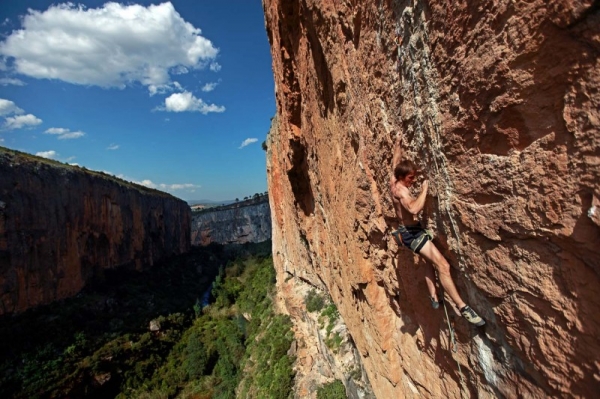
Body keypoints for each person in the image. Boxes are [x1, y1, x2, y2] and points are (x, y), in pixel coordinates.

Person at [390, 139, 485, 326]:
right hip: (412, 235)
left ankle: (434, 296)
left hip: (408, 232)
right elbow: (414, 209)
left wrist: (398, 145)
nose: (414, 180)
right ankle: (462, 307)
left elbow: (395, 163)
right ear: (402, 178)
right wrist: (424, 190)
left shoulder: (393, 180)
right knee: (443, 266)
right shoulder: (402, 192)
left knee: (427, 260)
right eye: (410, 178)